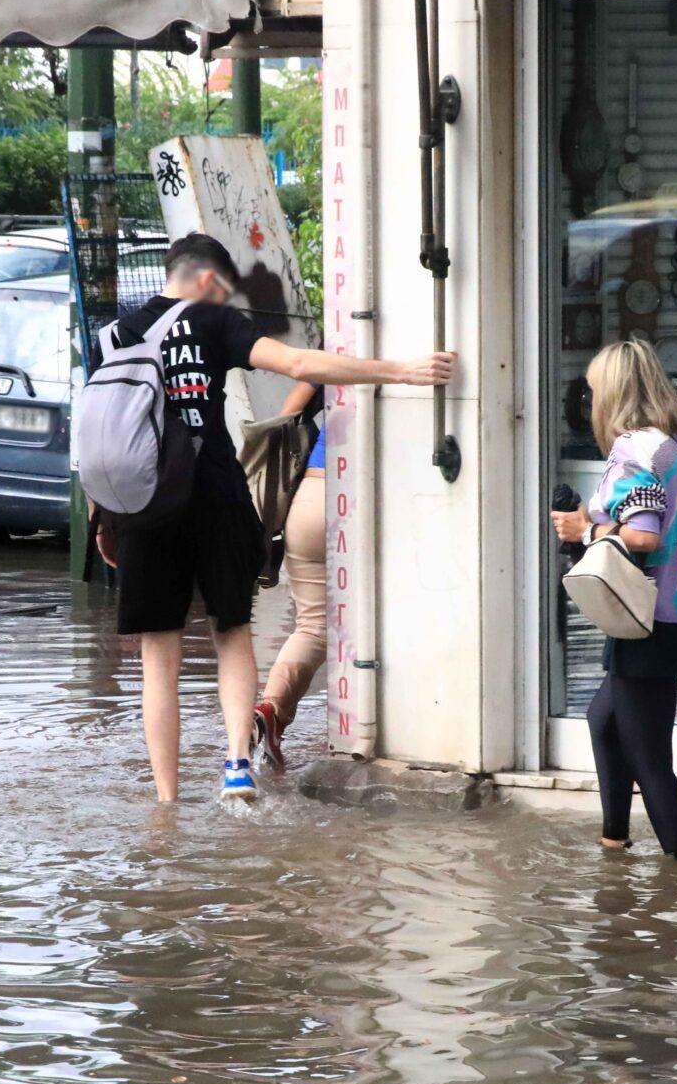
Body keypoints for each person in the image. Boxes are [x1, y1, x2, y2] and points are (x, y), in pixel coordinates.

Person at [97, 233, 454, 804]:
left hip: (143, 506)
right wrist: (401, 371)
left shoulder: (115, 336)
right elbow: (298, 363)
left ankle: (166, 803)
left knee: (158, 656)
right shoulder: (212, 321)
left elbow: (100, 432)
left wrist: (103, 518)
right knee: (231, 632)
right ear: (208, 279)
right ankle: (237, 765)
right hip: (214, 496)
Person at [551, 341, 677, 860]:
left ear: (614, 394)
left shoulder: (633, 450)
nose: (590, 399)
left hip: (647, 619)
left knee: (650, 761)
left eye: (595, 389)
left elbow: (643, 536)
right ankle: (613, 841)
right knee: (604, 720)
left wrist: (585, 529)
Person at [249, 382, 325, 769]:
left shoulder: (340, 346)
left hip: (313, 494)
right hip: (380, 492)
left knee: (313, 627)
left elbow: (288, 416)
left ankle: (271, 710)